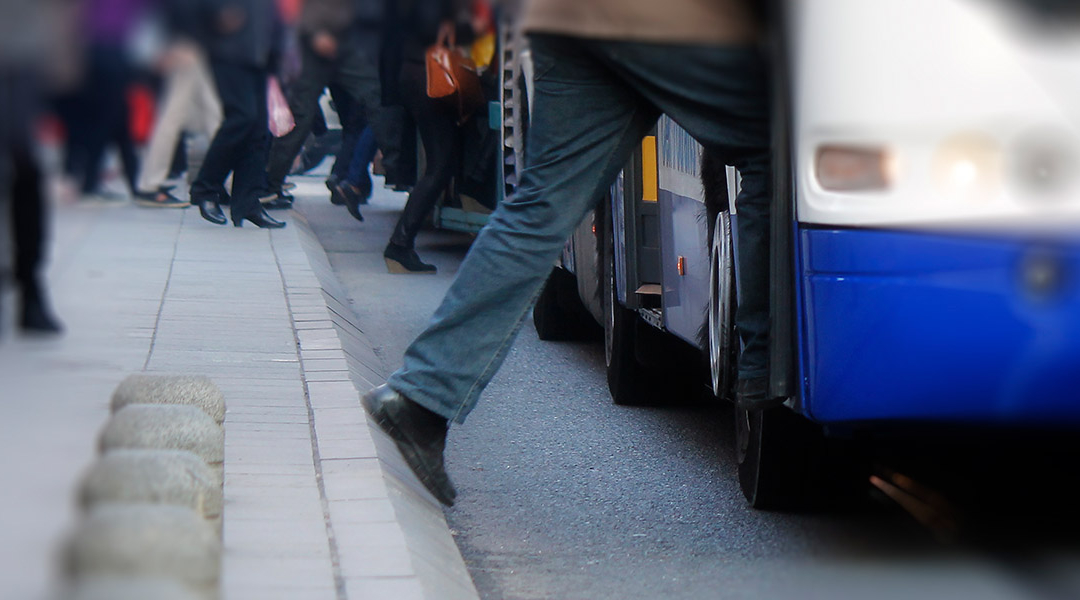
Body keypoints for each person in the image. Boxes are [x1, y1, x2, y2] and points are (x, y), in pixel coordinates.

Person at [361, 0, 774, 506]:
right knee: (773, 150)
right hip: (667, 21)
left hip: (564, 20)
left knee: (539, 208)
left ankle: (421, 396)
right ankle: (762, 366)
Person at [259, 0, 399, 221]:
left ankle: (395, 163)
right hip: (318, 39)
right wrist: (315, 31)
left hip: (345, 39)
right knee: (302, 115)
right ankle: (271, 184)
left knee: (376, 98)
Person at [380, 0, 476, 275]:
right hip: (430, 76)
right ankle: (399, 244)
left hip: (415, 73)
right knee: (440, 164)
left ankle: (401, 245)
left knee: (442, 162)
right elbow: (432, 24)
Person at [187, 0, 286, 228]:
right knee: (242, 118)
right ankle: (205, 188)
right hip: (229, 50)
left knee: (258, 130)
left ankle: (248, 203)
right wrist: (217, 12)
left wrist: (276, 48)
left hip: (260, 53)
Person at [133, 0, 223, 208]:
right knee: (206, 115)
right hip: (193, 48)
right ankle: (149, 183)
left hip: (190, 44)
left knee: (210, 115)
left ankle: (150, 182)